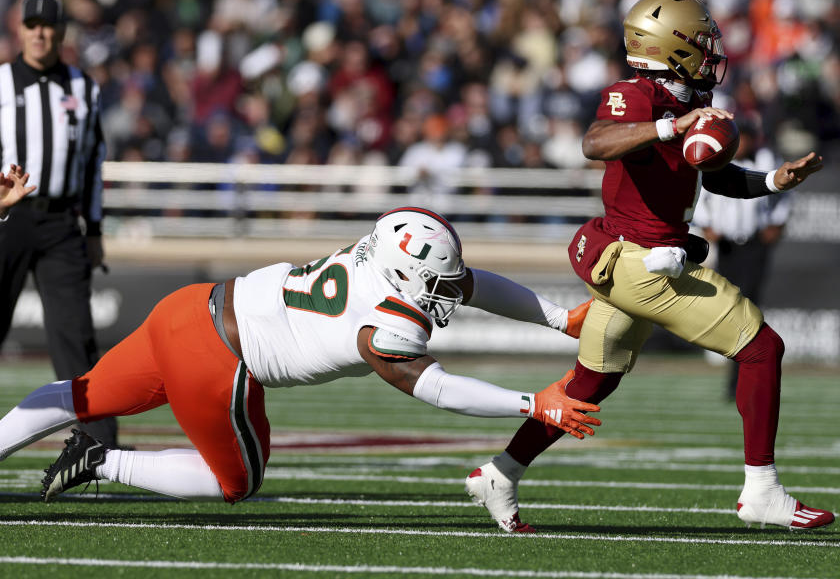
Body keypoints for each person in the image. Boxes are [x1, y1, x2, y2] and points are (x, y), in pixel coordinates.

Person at [465, 0, 834, 533]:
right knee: (762, 348)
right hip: (641, 263)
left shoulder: (683, 99)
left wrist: (776, 180)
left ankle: (500, 472)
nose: (713, 52)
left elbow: (716, 175)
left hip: (639, 260)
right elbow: (596, 142)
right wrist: (669, 127)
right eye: (703, 42)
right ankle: (762, 490)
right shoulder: (635, 95)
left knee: (590, 384)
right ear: (673, 47)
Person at [0, 199, 600, 505]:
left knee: (80, 393)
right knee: (236, 483)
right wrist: (533, 401)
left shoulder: (380, 260)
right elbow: (434, 386)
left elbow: (472, 282)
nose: (449, 291)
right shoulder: (383, 321)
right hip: (217, 357)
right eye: (436, 283)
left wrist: (555, 318)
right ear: (403, 270)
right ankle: (101, 462)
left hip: (186, 307)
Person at [0, 0, 117, 448]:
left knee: (76, 339)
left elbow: (93, 163)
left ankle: (99, 448)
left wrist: (96, 230)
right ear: (19, 29)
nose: (39, 33)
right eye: (31, 24)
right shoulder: (3, 82)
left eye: (48, 26)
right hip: (8, 219)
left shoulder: (84, 87)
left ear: (62, 32)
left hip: (62, 222)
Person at [691, 122, 792, 400]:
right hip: (726, 245)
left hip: (754, 244)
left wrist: (777, 224)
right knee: (730, 306)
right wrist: (705, 225)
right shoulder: (714, 161)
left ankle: (742, 376)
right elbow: (700, 196)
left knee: (749, 307)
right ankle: (736, 375)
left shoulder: (766, 159)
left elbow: (784, 193)